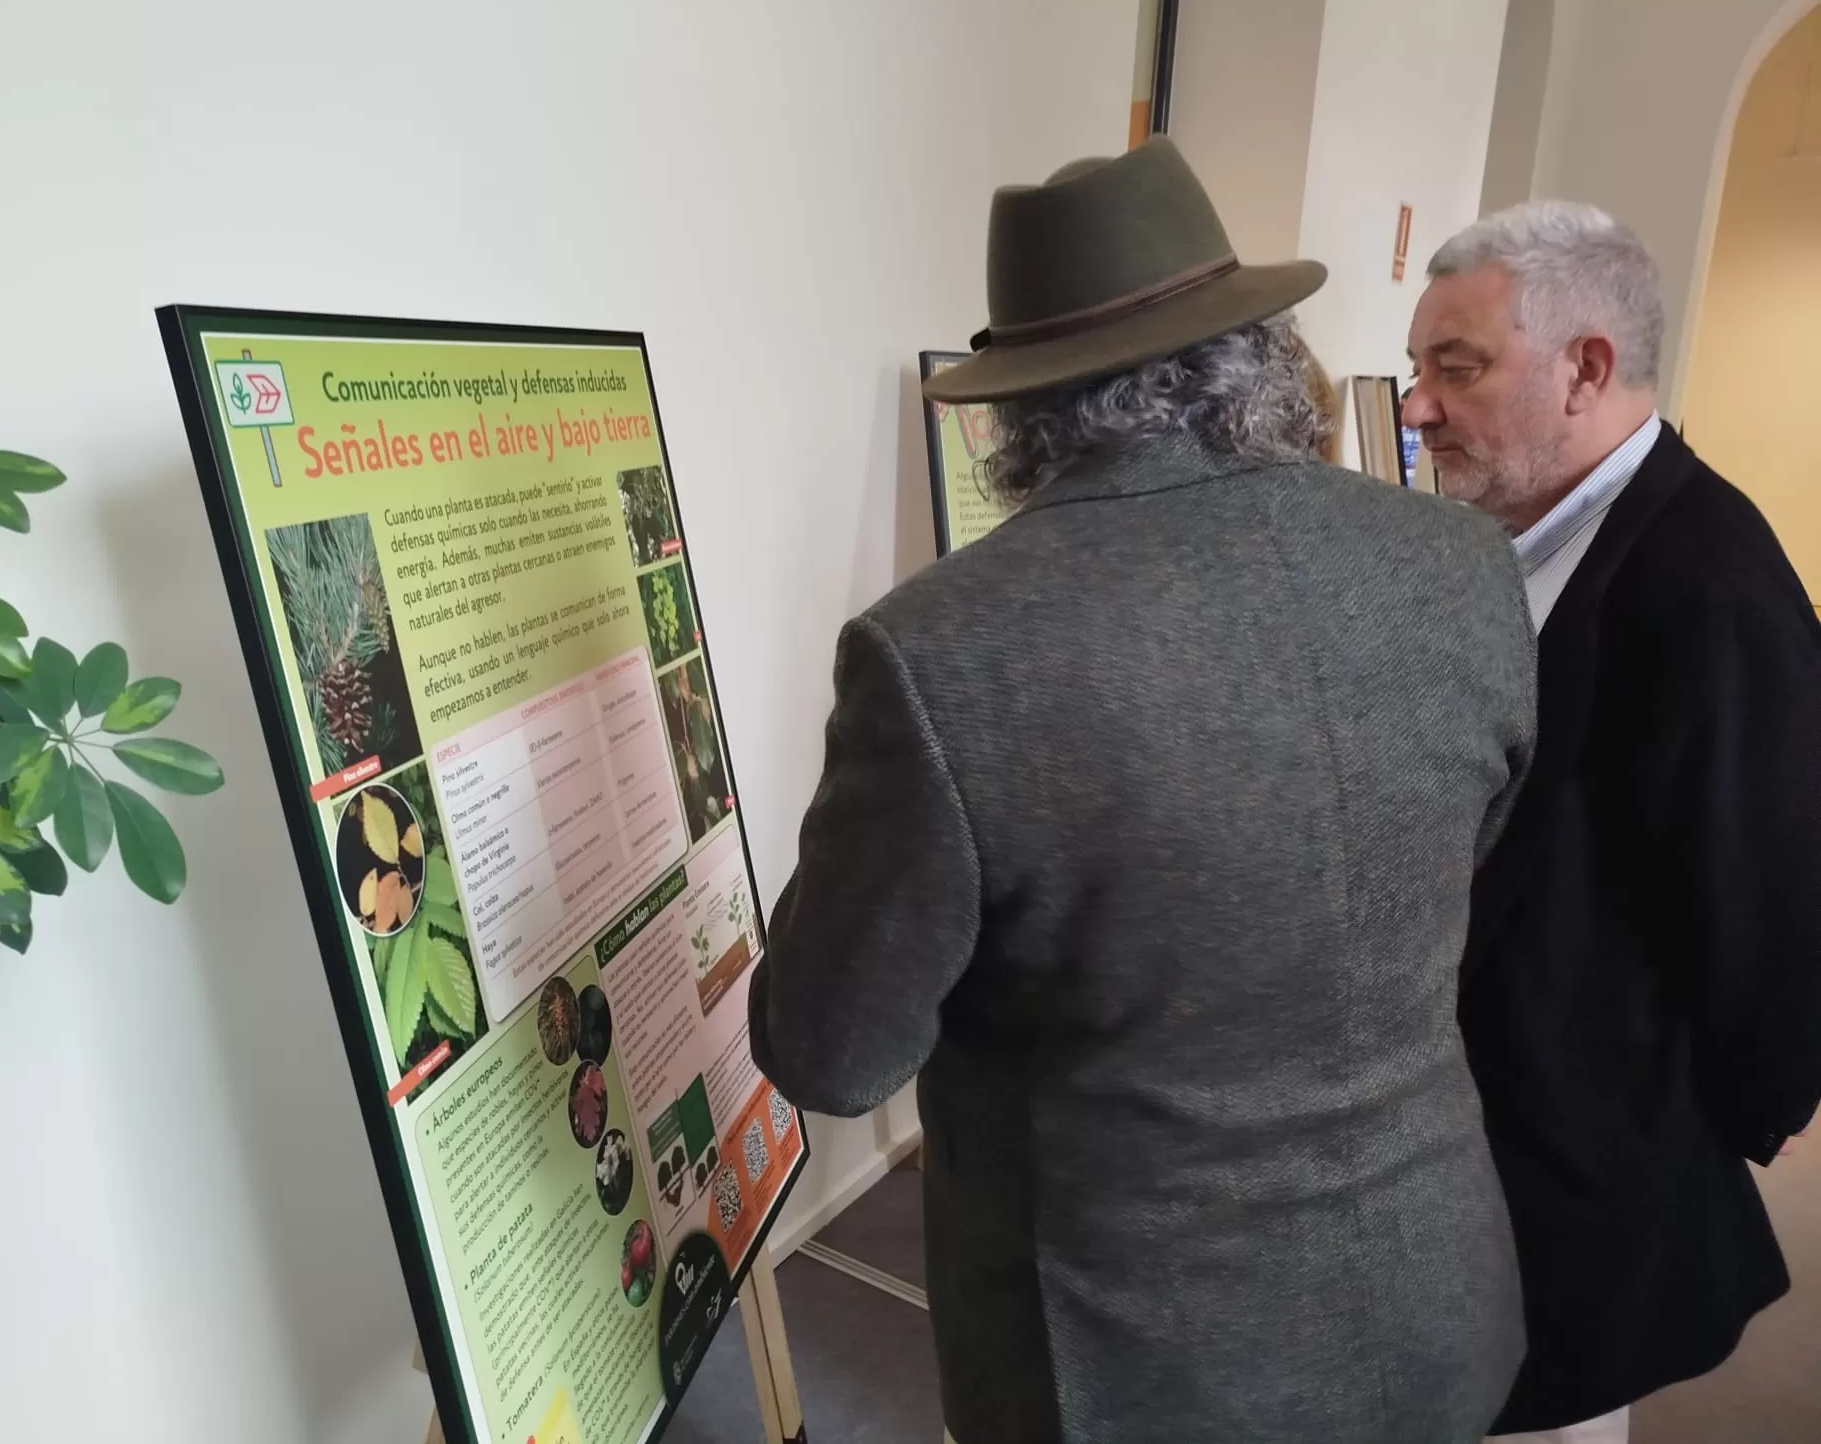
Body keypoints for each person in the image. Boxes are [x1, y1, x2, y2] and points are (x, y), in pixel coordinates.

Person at [748, 137, 1537, 1444]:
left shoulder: (944, 651)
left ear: (1020, 408)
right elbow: (1466, 853)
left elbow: (835, 1055)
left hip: (1134, 1372)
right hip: (1433, 1302)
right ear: (1265, 353)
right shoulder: (1461, 568)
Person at [1402, 201, 1821, 1443]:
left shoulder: (1707, 585)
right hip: (1495, 1160)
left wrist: (1738, 1109)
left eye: (1453, 368)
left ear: (1585, 367)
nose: (1415, 406)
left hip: (1583, 1167)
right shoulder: (1526, 542)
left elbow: (1773, 899)